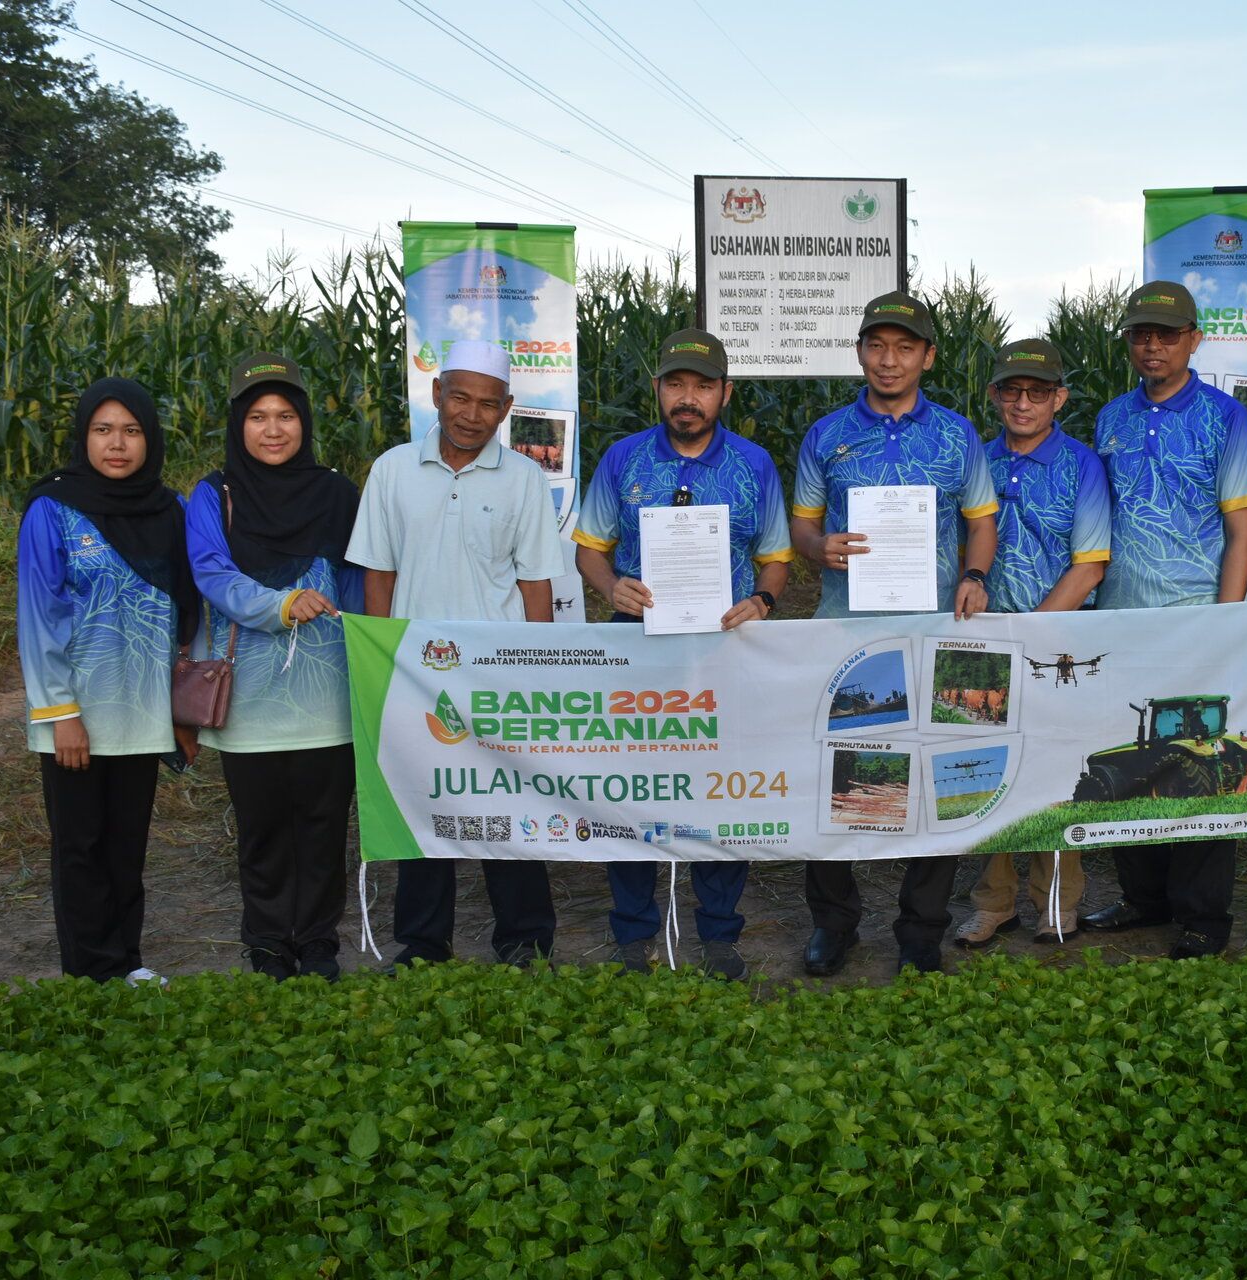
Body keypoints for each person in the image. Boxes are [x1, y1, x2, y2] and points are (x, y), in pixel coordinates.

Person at [789, 290, 999, 975]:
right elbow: (801, 524)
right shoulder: (825, 434)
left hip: (936, 629)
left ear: (928, 357)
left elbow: (982, 520)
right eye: (877, 346)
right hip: (845, 631)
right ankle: (836, 924)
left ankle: (919, 934)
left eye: (905, 347)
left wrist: (973, 574)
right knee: (837, 780)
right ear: (859, 353)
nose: (889, 359)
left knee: (937, 780)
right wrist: (818, 549)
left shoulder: (957, 434)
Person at [573, 327, 792, 980]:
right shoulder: (622, 459)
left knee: (721, 789)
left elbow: (775, 558)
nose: (687, 398)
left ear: (725, 392)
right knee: (632, 786)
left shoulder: (752, 465)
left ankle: (719, 931)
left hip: (726, 648)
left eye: (701, 385)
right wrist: (612, 585)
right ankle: (632, 932)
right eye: (676, 384)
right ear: (658, 389)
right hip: (636, 644)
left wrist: (764, 601)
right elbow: (590, 545)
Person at [346, 338, 567, 967]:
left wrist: (540, 672)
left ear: (507, 410)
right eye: (461, 397)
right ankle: (421, 946)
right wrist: (378, 666)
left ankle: (524, 941)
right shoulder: (391, 470)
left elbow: (535, 585)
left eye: (488, 404)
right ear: (438, 393)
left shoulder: (525, 478)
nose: (471, 414)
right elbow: (378, 576)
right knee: (423, 805)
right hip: (416, 673)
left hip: (500, 675)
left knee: (510, 808)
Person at [1075, 280, 1247, 961]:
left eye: (1166, 334)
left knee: (1196, 766)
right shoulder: (1113, 417)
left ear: (1194, 339)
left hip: (1194, 617)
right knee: (1130, 758)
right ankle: (1143, 897)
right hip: (1122, 614)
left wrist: (1224, 619)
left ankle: (1201, 916)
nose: (1151, 345)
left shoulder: (1224, 419)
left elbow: (1242, 528)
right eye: (1140, 334)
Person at [186, 353, 363, 980]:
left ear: (305, 421)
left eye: (286, 415)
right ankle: (266, 942)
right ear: (238, 424)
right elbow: (210, 573)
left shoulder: (338, 494)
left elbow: (362, 584)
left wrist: (378, 661)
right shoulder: (213, 495)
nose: (273, 429)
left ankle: (317, 943)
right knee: (261, 830)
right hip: (252, 700)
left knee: (322, 831)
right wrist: (280, 603)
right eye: (257, 416)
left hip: (329, 699)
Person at [18, 377, 199, 985]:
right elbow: (38, 617)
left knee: (127, 844)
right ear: (84, 437)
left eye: (131, 431)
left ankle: (128, 963)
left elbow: (184, 611)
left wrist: (180, 710)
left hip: (143, 712)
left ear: (150, 439)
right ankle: (90, 973)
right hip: (77, 715)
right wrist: (59, 713)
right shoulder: (53, 509)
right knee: (80, 847)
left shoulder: (170, 509)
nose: (116, 444)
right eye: (102, 430)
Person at [953, 339, 1110, 948]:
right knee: (985, 771)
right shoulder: (975, 459)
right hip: (980, 636)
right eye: (1011, 390)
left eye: (1037, 392)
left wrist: (1031, 634)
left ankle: (1056, 900)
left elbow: (1090, 564)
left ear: (1059, 399)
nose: (1023, 402)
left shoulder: (1082, 466)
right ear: (993, 395)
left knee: (1055, 769)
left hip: (1058, 638)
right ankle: (993, 902)